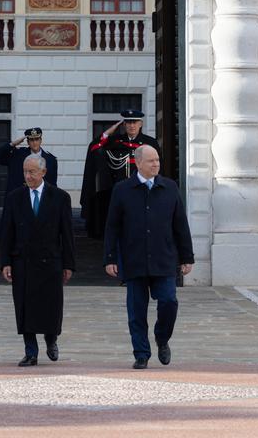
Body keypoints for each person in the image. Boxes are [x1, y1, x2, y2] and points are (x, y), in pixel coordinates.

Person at [104, 144, 194, 370]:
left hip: (164, 258)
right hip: (134, 259)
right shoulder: (122, 190)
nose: (156, 164)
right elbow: (112, 227)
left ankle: (162, 339)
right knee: (136, 311)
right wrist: (110, 258)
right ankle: (141, 353)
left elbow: (180, 225)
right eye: (151, 161)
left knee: (168, 302)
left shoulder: (170, 188)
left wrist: (187, 257)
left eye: (158, 160)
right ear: (138, 163)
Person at [0, 155, 75, 367]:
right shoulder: (14, 198)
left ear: (43, 172)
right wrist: (5, 261)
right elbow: (7, 232)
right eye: (25, 171)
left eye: (32, 172)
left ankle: (51, 339)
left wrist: (69, 264)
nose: (28, 176)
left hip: (50, 261)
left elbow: (67, 234)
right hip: (22, 260)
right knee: (25, 307)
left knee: (51, 306)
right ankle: (30, 351)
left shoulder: (60, 197)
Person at [80, 108, 161, 238]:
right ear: (123, 125)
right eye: (128, 122)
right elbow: (94, 148)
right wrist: (107, 133)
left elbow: (157, 168)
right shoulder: (115, 142)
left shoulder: (149, 143)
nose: (132, 125)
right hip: (119, 191)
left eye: (135, 122)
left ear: (140, 124)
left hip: (143, 191)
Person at [0, 127, 58, 199]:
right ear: (28, 142)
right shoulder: (17, 155)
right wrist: (13, 144)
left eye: (37, 139)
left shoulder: (51, 160)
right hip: (19, 199)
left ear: (41, 140)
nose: (34, 142)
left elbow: (53, 185)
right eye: (31, 140)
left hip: (41, 199)